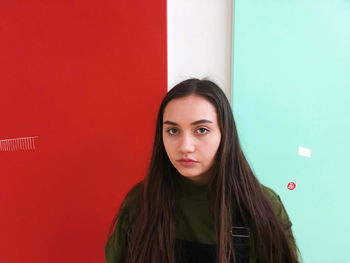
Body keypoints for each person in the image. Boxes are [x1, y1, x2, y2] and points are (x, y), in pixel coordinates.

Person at [105, 78, 301, 263]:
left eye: (201, 130)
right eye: (173, 131)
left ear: (225, 134)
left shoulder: (261, 205)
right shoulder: (140, 201)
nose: (185, 146)